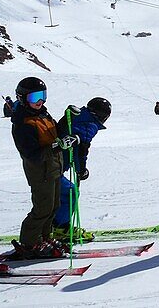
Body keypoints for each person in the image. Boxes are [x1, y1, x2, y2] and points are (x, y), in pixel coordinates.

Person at [9, 77, 78, 258]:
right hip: (40, 172)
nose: (40, 102)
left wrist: (67, 117)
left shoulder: (43, 115)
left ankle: (44, 238)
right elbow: (32, 154)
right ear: (23, 98)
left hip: (54, 168)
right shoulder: (23, 124)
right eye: (35, 98)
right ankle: (29, 243)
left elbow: (55, 132)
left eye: (42, 96)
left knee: (54, 206)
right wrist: (57, 146)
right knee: (42, 209)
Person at [53, 97, 111, 242]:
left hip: (53, 164)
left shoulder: (78, 116)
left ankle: (54, 226)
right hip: (54, 167)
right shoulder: (89, 125)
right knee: (71, 192)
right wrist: (81, 170)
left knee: (59, 196)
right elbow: (81, 151)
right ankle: (61, 228)